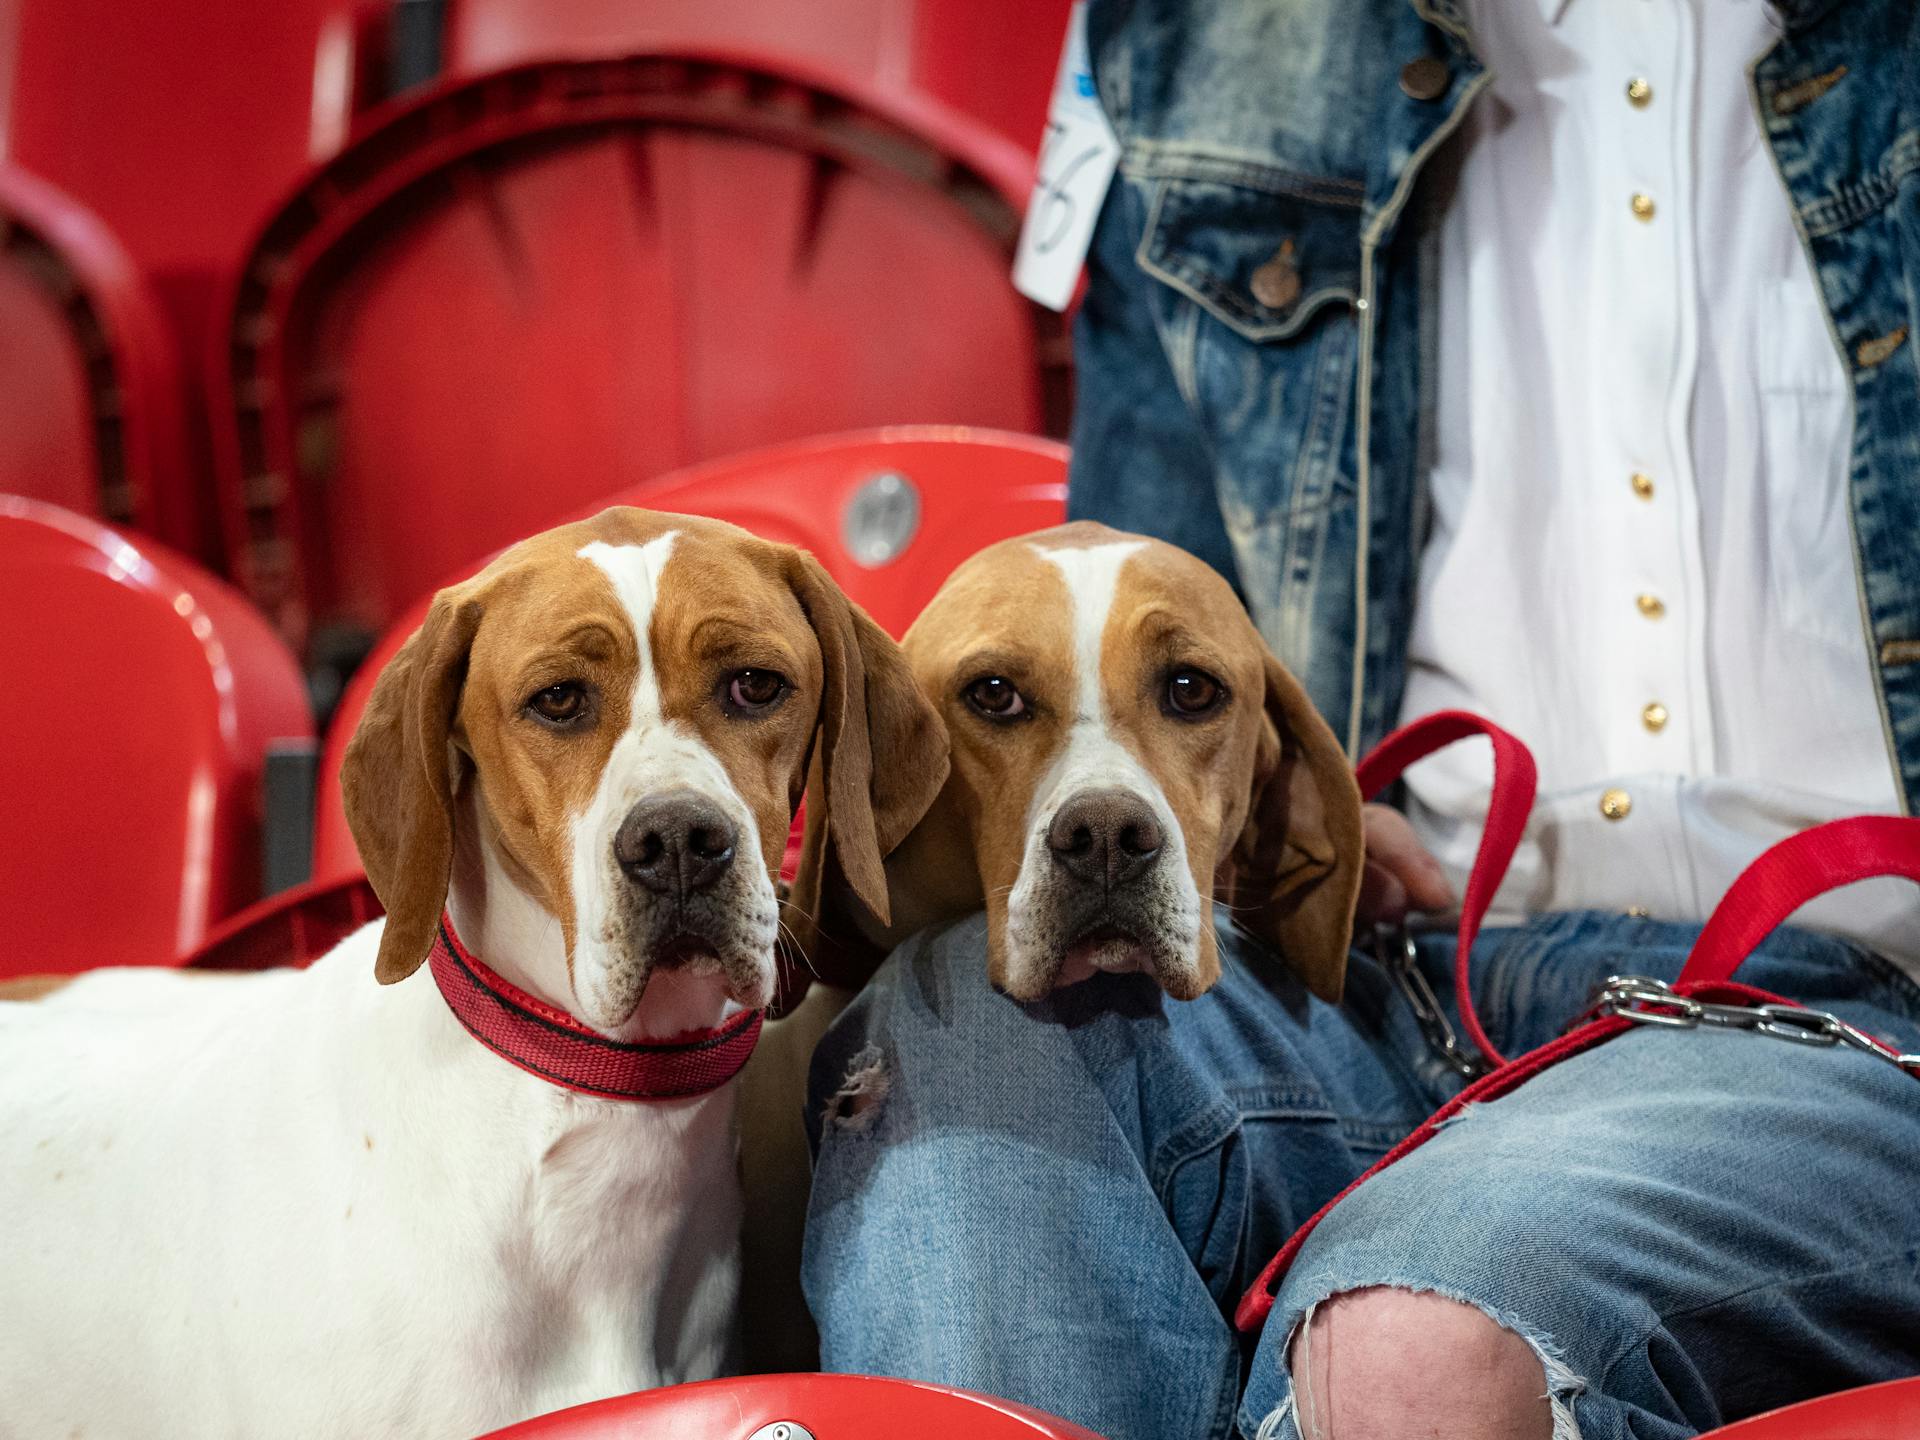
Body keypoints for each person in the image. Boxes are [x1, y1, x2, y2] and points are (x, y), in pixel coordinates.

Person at [800, 3, 1920, 1437]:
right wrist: (1268, 817)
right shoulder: (1202, 31)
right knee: (951, 1040)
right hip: (1379, 970)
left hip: (1839, 1016)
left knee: (1409, 1343)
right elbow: (1122, 618)